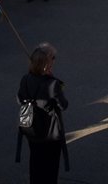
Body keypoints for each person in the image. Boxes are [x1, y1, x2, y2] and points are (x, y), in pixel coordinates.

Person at [17, 43, 69, 184]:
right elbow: (63, 105)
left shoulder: (25, 79)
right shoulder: (52, 84)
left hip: (30, 127)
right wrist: (56, 86)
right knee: (50, 167)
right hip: (50, 132)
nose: (55, 60)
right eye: (53, 57)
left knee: (35, 161)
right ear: (46, 65)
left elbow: (19, 98)